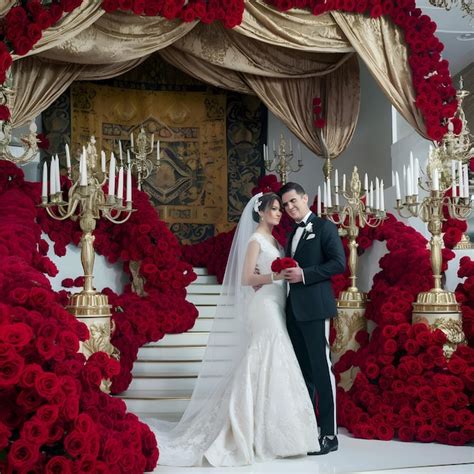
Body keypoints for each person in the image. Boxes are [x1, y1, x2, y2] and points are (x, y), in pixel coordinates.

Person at [145, 192, 319, 466]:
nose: (279, 213)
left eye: (279, 209)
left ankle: (275, 430)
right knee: (270, 353)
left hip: (276, 302)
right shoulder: (255, 240)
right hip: (263, 307)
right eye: (274, 209)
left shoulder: (274, 240)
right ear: (260, 213)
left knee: (272, 360)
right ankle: (253, 429)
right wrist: (275, 275)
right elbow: (245, 277)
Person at [279, 182, 346, 456]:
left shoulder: (324, 227)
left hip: (316, 310)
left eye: (294, 201)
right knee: (303, 374)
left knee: (321, 372)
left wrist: (304, 274)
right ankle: (309, 430)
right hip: (294, 311)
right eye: (285, 205)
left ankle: (329, 435)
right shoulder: (291, 233)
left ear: (305, 198)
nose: (290, 207)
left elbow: (339, 263)